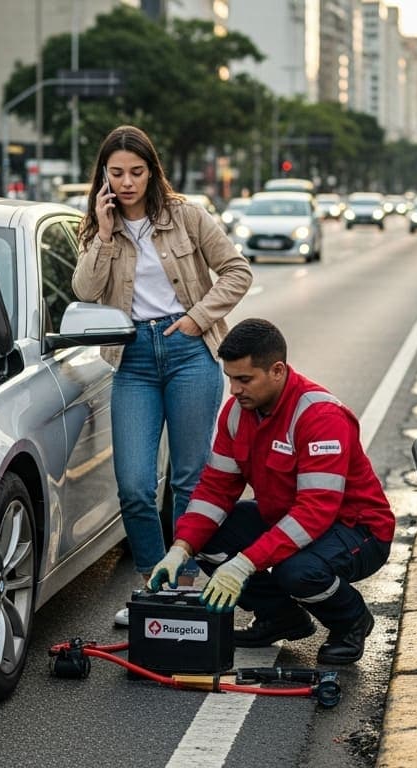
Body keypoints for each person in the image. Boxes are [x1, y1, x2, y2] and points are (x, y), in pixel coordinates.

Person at [73, 125, 253, 627]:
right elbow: (85, 290)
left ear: (152, 172)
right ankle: (155, 584)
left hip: (188, 352)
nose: (127, 182)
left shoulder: (187, 216)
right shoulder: (99, 227)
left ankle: (188, 583)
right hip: (132, 359)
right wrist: (104, 234)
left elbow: (237, 271)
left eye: (136, 171)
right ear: (103, 176)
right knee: (134, 484)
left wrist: (197, 318)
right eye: (116, 173)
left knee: (189, 479)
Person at [146, 319, 395, 664]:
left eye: (244, 379)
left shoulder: (320, 416)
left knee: (296, 572)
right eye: (230, 378)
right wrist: (180, 548)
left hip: (356, 529)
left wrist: (244, 564)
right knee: (206, 536)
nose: (234, 390)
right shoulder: (237, 414)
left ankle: (350, 620)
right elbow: (216, 489)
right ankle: (281, 617)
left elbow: (314, 513)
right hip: (285, 517)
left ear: (277, 371)